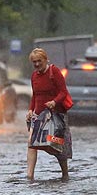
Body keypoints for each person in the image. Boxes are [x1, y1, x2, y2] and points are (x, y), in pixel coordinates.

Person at [26, 48, 73, 181]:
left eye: (39, 61)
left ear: (46, 59)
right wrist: (30, 110)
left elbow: (63, 92)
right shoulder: (34, 76)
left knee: (57, 146)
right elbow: (35, 95)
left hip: (56, 116)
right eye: (34, 62)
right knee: (31, 143)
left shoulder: (54, 72)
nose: (36, 64)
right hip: (39, 116)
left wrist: (54, 102)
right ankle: (30, 175)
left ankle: (65, 174)